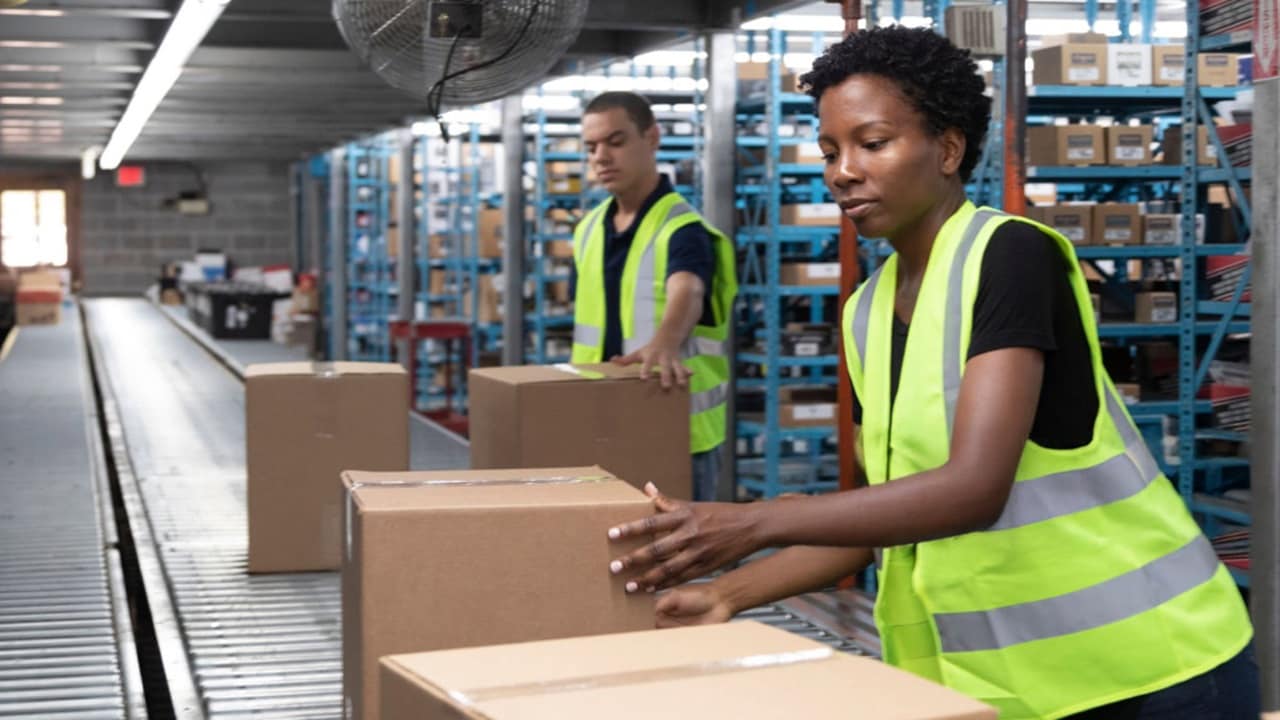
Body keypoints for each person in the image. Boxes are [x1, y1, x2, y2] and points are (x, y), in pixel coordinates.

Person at [605, 26, 1258, 720]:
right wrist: (729, 592)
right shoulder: (865, 312)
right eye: (830, 151)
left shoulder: (1008, 257)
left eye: (873, 143)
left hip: (1154, 674)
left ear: (947, 149)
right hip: (1012, 691)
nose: (843, 171)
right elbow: (886, 513)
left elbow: (973, 489)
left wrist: (752, 522)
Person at [570, 91, 738, 502]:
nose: (601, 157)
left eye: (616, 141)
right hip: (604, 419)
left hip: (675, 422)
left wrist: (665, 342)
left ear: (652, 138)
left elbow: (689, 287)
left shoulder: (682, 227)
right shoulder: (589, 228)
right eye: (591, 147)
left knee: (681, 556)